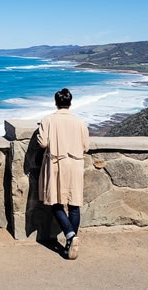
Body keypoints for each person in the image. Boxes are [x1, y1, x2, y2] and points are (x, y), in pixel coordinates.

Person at [37, 88, 89, 259]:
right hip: (75, 163)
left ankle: (70, 236)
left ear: (56, 103)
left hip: (57, 163)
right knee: (74, 204)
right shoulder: (79, 122)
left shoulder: (48, 119)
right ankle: (71, 242)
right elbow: (86, 146)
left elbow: (43, 143)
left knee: (56, 203)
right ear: (70, 103)